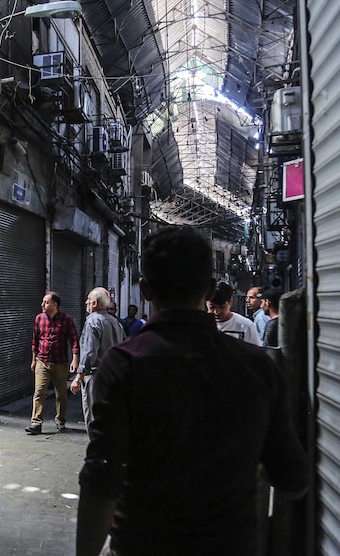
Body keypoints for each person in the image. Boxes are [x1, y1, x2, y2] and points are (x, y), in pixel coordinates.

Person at [75, 226, 307, 556]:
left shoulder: (124, 364)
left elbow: (101, 477)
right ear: (209, 288)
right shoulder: (256, 366)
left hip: (143, 544)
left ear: (145, 290)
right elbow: (292, 479)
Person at [69, 288, 124, 432]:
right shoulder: (115, 322)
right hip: (112, 376)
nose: (86, 302)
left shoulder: (92, 322)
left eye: (88, 300)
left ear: (94, 303)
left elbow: (89, 353)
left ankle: (98, 451)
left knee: (94, 417)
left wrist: (78, 377)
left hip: (95, 377)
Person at [27, 292, 79, 435]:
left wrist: (75, 360)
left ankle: (60, 420)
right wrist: (33, 360)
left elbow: (74, 341)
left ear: (54, 305)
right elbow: (35, 341)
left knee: (61, 394)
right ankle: (36, 423)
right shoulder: (39, 319)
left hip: (60, 363)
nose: (42, 305)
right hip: (42, 362)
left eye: (45, 302)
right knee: (39, 392)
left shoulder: (66, 320)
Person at [207, 281, 262, 346]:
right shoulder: (201, 325)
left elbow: (256, 352)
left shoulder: (245, 326)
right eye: (212, 307)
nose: (216, 312)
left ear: (230, 302)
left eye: (222, 307)